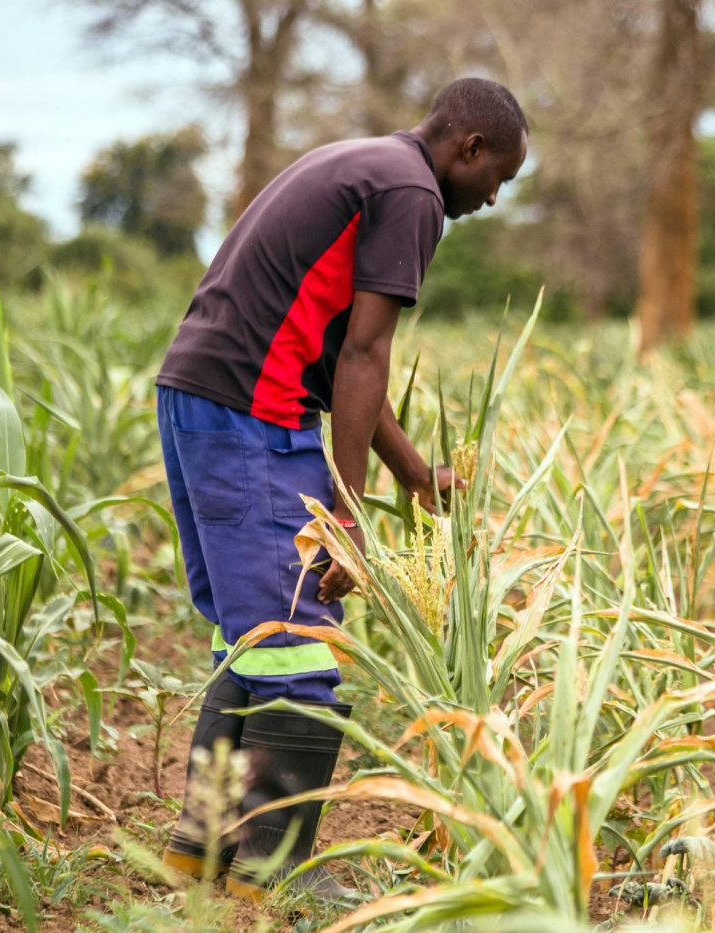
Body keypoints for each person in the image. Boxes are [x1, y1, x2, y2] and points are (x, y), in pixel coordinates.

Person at [153, 76, 529, 903]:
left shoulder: (362, 164)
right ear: (467, 148)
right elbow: (363, 356)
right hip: (252, 413)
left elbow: (334, 357)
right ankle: (270, 877)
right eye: (497, 175)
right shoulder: (414, 193)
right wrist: (349, 519)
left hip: (199, 398)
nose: (494, 197)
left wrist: (412, 473)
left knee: (253, 634)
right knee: (301, 645)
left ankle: (199, 853)